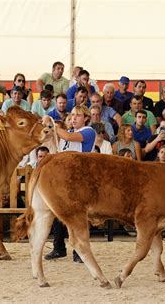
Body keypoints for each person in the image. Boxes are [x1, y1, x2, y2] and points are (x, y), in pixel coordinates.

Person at [44, 105, 96, 263]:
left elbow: (67, 137)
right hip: (67, 178)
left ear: (86, 118)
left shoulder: (88, 131)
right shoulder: (69, 133)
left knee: (78, 215)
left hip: (82, 178)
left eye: (78, 115)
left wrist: (52, 125)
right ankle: (59, 247)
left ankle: (79, 251)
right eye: (72, 115)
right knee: (60, 212)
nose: (73, 118)